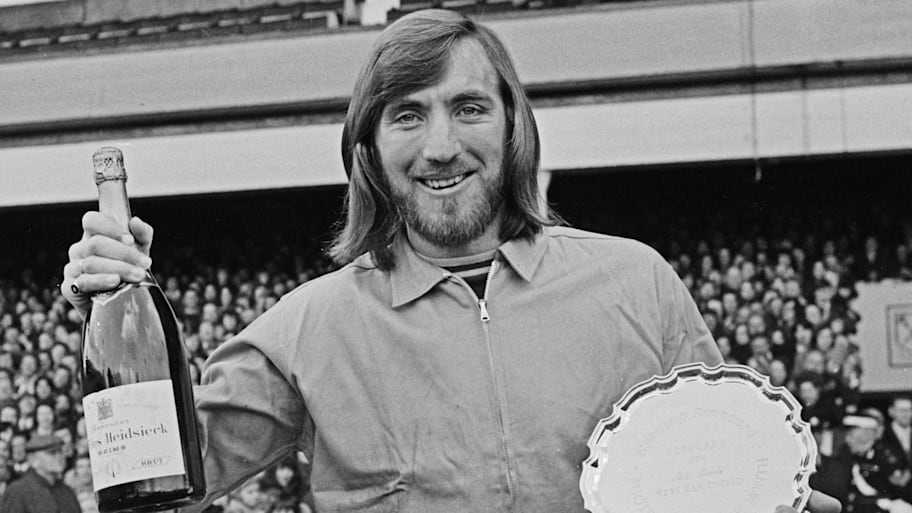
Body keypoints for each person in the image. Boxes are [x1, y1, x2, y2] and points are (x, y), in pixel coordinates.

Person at [59, 9, 840, 513]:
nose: (441, 147)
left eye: (468, 107)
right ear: (368, 147)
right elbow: (156, 489)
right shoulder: (306, 328)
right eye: (407, 115)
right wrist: (109, 301)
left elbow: (728, 477)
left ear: (513, 127)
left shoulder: (640, 285)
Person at [0, 434, 81, 513]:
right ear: (33, 459)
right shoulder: (17, 492)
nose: (59, 456)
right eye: (52, 452)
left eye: (60, 451)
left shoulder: (66, 491)